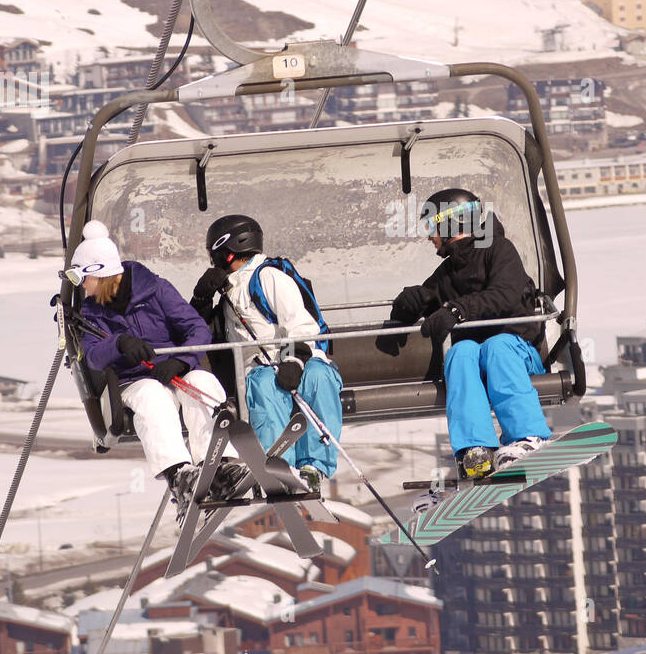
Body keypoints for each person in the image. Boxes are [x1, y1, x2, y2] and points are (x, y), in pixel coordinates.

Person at [68, 220, 246, 527]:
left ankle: (218, 464)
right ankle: (180, 475)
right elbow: (94, 356)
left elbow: (196, 328)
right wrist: (120, 344)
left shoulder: (156, 290)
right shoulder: (91, 312)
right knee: (153, 398)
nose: (83, 286)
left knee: (204, 382)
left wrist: (180, 360)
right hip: (133, 380)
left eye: (84, 278)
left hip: (173, 368)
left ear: (99, 273)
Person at [379, 188, 551, 483]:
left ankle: (527, 436)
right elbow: (431, 300)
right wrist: (408, 304)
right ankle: (476, 448)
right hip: (480, 361)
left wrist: (457, 311)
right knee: (460, 352)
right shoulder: (447, 272)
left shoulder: (499, 250)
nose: (429, 236)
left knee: (496, 345)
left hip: (518, 352)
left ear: (451, 224)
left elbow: (504, 295)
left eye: (432, 227)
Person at [190, 214, 343, 496]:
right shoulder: (227, 289)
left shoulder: (268, 276)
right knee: (263, 385)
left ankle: (314, 467)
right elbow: (197, 334)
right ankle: (278, 465)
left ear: (225, 249)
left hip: (299, 358)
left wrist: (294, 361)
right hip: (257, 368)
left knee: (319, 378)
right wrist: (201, 298)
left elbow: (301, 324)